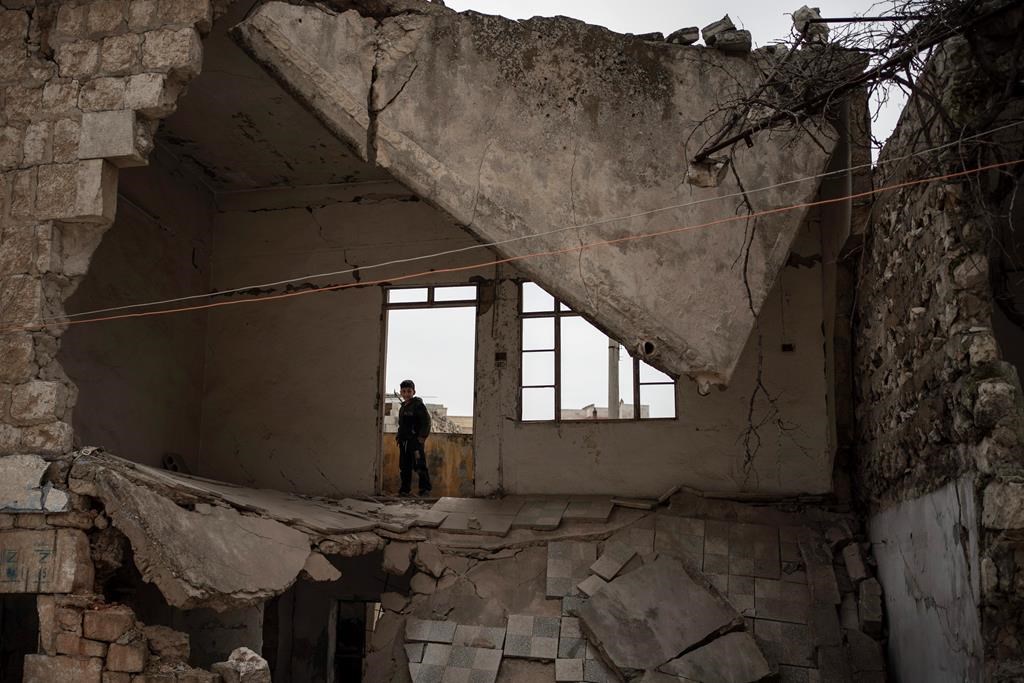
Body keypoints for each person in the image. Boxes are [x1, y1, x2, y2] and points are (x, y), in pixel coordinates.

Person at [396, 379, 432, 496]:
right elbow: (402, 425)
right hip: (404, 442)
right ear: (401, 392)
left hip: (415, 442)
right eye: (404, 391)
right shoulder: (403, 407)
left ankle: (425, 490)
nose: (406, 394)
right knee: (404, 466)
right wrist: (399, 437)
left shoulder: (418, 405)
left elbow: (426, 421)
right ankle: (405, 490)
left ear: (414, 392)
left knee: (419, 465)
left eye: (409, 391)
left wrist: (422, 437)